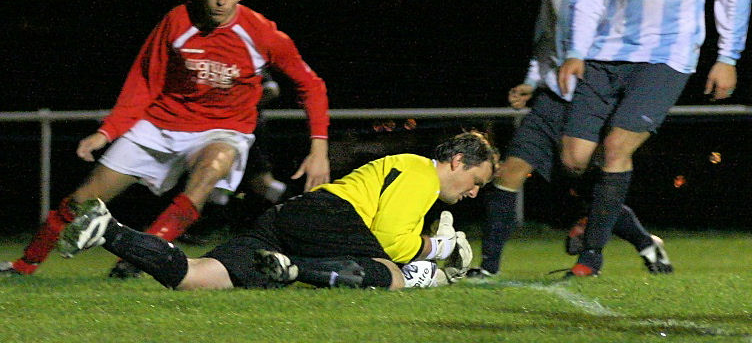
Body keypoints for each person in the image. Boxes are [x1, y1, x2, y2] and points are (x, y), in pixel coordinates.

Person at [1, 0, 330, 278]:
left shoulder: (262, 33)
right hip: (161, 124)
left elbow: (311, 85)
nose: (220, 1)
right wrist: (109, 131)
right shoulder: (177, 21)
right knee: (81, 200)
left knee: (211, 169)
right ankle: (24, 266)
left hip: (222, 130)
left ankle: (138, 260)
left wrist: (318, 150)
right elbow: (144, 81)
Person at [558, 0, 752, 277]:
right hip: (606, 56)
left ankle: (591, 257)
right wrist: (575, 51)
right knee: (572, 159)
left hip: (666, 58)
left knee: (616, 149)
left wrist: (728, 56)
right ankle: (642, 238)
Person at [468, 0, 671, 279]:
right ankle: (487, 268)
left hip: (595, 103)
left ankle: (645, 243)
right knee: (508, 173)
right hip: (552, 101)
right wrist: (531, 82)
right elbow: (545, 42)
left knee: (597, 191)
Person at [57, 131, 497, 290]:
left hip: (290, 216)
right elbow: (392, 242)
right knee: (394, 275)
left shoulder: (411, 172)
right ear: (457, 162)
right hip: (328, 217)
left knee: (197, 277)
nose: (474, 193)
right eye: (476, 181)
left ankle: (108, 230)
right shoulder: (421, 173)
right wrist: (438, 250)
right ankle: (293, 270)